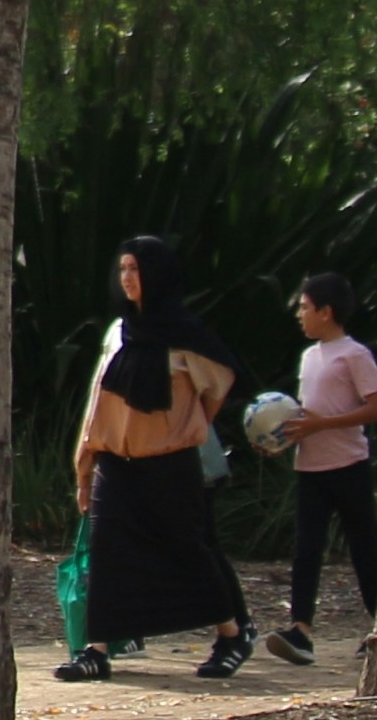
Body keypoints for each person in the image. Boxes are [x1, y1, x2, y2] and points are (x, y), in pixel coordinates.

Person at [57, 231, 253, 683]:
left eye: (137, 269)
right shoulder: (117, 333)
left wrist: (183, 425)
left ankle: (230, 633)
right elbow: (96, 402)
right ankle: (96, 649)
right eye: (123, 268)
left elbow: (217, 385)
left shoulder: (184, 337)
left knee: (186, 548)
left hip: (168, 461)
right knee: (108, 553)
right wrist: (84, 467)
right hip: (114, 462)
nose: (127, 277)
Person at [268, 270, 377, 663]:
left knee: (363, 548)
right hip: (311, 469)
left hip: (349, 465)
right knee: (306, 549)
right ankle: (301, 630)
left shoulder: (354, 355)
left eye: (305, 308)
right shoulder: (309, 357)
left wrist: (322, 424)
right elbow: (307, 413)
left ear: (326, 312)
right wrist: (281, 435)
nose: (299, 315)